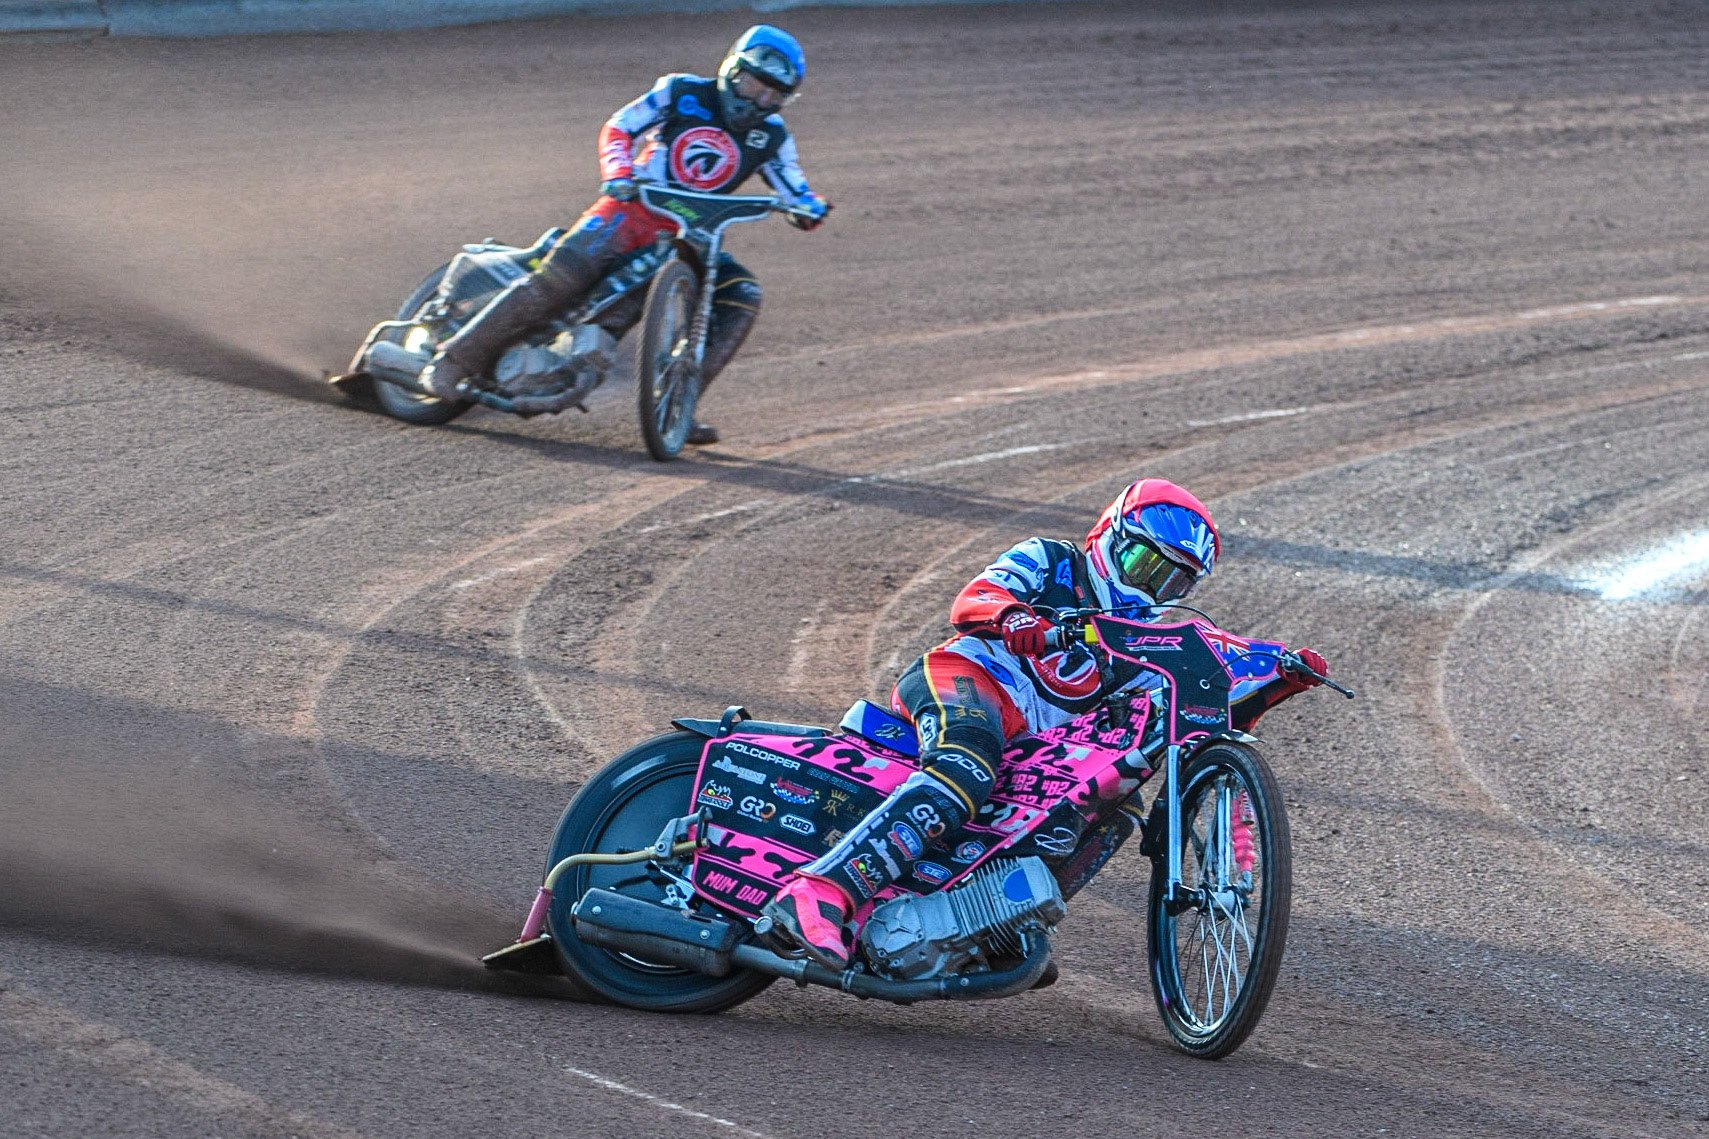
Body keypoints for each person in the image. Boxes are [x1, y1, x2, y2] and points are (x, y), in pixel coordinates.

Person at [762, 478, 1332, 969]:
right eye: (1146, 566)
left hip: (1035, 744)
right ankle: (820, 892)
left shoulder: (1151, 644)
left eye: (1175, 583)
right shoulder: (1051, 559)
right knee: (967, 765)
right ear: (1110, 538)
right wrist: (1013, 616)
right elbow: (973, 599)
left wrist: (1281, 675)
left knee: (1114, 807)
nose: (1154, 589)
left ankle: (989, 924)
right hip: (968, 677)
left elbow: (1217, 690)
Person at [418, 25, 832, 445]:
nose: (759, 101)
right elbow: (620, 127)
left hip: (690, 239)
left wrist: (809, 206)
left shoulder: (773, 137)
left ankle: (679, 406)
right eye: (754, 86)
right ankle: (452, 361)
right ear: (732, 71)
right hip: (629, 211)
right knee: (557, 280)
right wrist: (619, 173)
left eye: (773, 96)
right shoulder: (681, 91)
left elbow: (795, 188)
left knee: (741, 295)